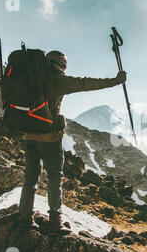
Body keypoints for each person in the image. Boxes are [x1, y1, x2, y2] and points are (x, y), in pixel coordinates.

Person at [18, 50, 126, 234]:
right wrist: (115, 81)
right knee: (54, 177)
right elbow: (85, 84)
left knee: (30, 179)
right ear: (60, 64)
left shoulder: (30, 76)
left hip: (28, 136)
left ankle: (25, 218)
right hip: (49, 138)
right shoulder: (58, 80)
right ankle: (55, 221)